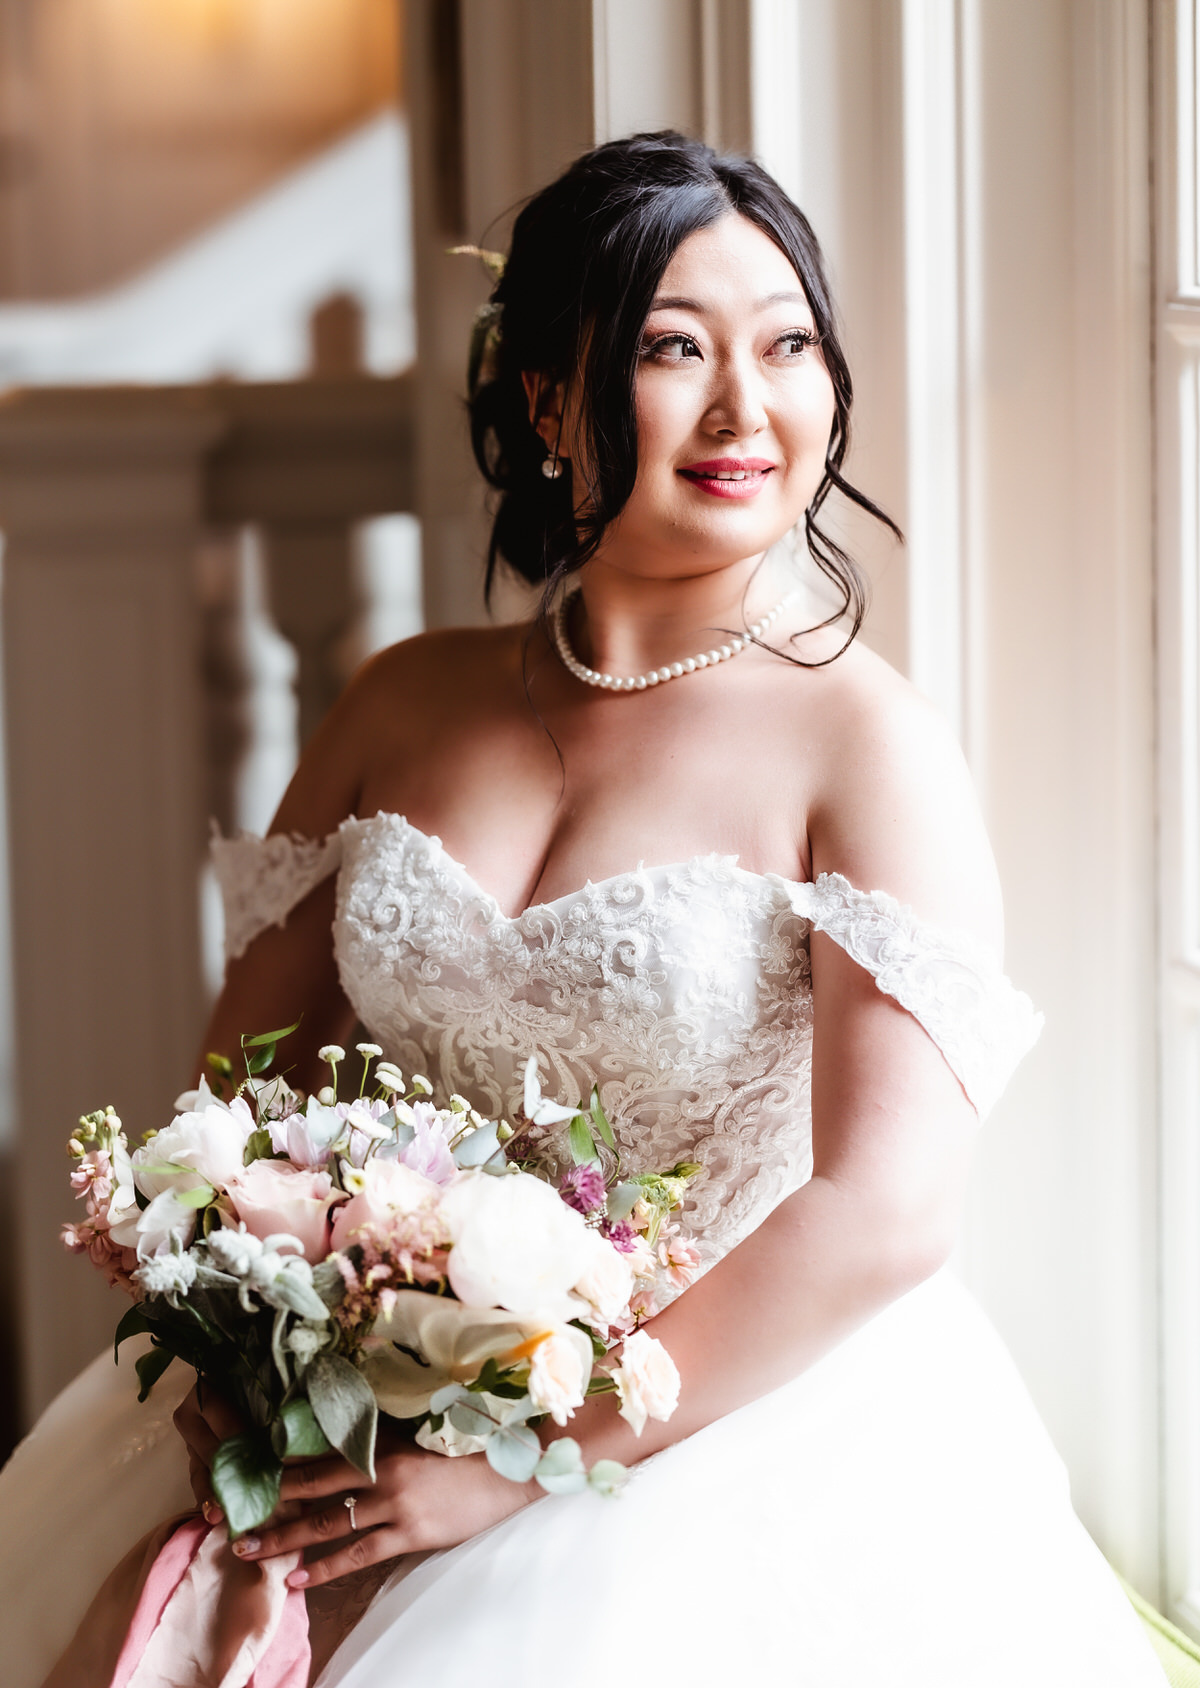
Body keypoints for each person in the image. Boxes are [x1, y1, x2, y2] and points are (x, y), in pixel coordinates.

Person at [4, 130, 1166, 1686]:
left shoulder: (866, 745)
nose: (749, 409)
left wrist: (524, 1459)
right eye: (677, 350)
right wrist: (243, 1353)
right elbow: (241, 1096)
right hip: (358, 1382)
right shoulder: (399, 704)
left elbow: (888, 1208)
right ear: (549, 398)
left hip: (720, 1418)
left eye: (791, 346)